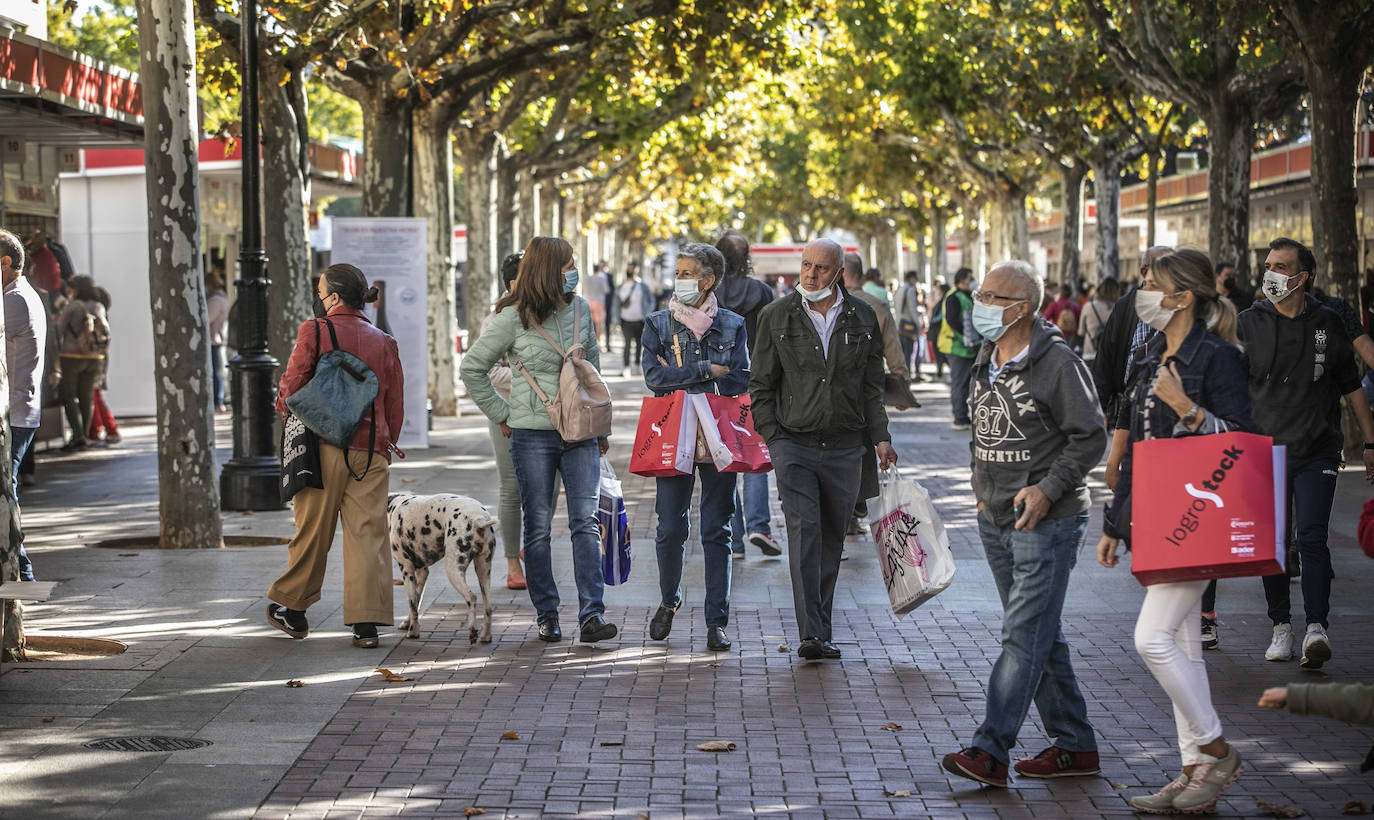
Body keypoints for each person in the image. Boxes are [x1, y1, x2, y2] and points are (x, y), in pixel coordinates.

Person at [1096, 249, 1251, 812]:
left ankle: (1217, 749)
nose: (1143, 291)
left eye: (1153, 283)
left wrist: (1185, 407)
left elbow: (1243, 439)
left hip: (1200, 517)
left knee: (1151, 638)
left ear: (1183, 297)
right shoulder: (1148, 359)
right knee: (1184, 646)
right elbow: (1139, 450)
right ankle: (1194, 776)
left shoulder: (1218, 358)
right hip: (1158, 517)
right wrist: (1116, 521)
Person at [940, 260, 1105, 788]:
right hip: (995, 519)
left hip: (1047, 522)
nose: (981, 303)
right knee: (1039, 634)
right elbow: (982, 429)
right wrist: (979, 483)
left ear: (1023, 308)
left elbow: (1091, 436)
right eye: (981, 293)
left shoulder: (1058, 362)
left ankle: (991, 750)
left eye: (993, 296)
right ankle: (1075, 746)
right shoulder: (989, 356)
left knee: (1021, 634)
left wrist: (1048, 487)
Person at [460, 236, 616, 645]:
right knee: (540, 528)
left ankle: (591, 615)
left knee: (586, 523)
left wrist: (602, 428)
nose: (573, 273)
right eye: (567, 265)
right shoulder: (512, 317)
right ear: (550, 270)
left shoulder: (581, 310)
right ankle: (547, 613)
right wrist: (502, 414)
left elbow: (592, 370)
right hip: (531, 436)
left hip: (580, 433)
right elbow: (473, 368)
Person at [749, 238, 897, 662]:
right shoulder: (776, 315)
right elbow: (760, 386)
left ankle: (822, 628)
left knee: (832, 539)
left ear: (839, 274)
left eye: (820, 268)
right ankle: (811, 633)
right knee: (805, 532)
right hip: (793, 444)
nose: (810, 275)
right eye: (806, 265)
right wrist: (773, 438)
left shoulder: (863, 317)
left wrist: (881, 436)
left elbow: (872, 388)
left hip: (847, 448)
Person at [1241, 237, 1374, 668]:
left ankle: (1316, 628)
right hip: (1265, 451)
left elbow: (1351, 388)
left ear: (1305, 276)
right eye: (1268, 266)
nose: (1272, 275)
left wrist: (1370, 442)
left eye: (1281, 266)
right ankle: (1281, 626)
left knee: (1311, 537)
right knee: (1274, 543)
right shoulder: (1248, 323)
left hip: (1317, 451)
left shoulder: (1328, 323)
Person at [267, 263, 405, 649]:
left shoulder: (315, 330)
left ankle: (293, 609)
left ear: (334, 296)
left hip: (322, 446)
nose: (319, 295)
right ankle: (366, 624)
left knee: (313, 530)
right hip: (371, 452)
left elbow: (293, 382)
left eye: (322, 289)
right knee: (368, 536)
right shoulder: (384, 340)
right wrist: (386, 441)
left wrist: (285, 414)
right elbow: (394, 399)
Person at [642, 243, 749, 652]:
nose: (680, 279)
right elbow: (654, 376)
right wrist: (706, 370)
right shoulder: (657, 324)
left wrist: (681, 374)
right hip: (673, 430)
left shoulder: (734, 325)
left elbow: (739, 380)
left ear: (708, 280)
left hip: (720, 433)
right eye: (679, 272)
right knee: (670, 525)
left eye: (688, 273)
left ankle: (715, 621)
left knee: (717, 528)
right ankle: (669, 601)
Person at [482, 252, 549, 591]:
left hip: (549, 414)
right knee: (512, 487)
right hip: (507, 413)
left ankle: (532, 547)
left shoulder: (551, 312)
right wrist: (532, 378)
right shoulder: (497, 319)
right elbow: (488, 370)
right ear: (512, 282)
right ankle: (512, 562)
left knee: (546, 488)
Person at [714, 232, 781, 558]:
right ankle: (760, 526)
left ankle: (735, 537)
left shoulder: (708, 292)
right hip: (757, 382)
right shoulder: (763, 292)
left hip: (717, 384)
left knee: (726, 457)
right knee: (754, 454)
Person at [1091, 246, 1174, 493]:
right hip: (1131, 409)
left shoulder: (1198, 346)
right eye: (1149, 283)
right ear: (1143, 272)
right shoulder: (1127, 306)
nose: (1150, 291)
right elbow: (1107, 356)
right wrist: (1101, 406)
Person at [2, 228, 44, 582]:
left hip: (13, 412)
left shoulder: (13, 299)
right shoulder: (19, 294)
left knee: (5, 489)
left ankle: (22, 572)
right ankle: (21, 571)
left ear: (5, 263)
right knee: (5, 488)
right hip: (18, 410)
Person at [54, 275, 107, 451]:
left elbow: (59, 330)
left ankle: (77, 436)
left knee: (69, 395)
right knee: (87, 397)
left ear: (75, 289)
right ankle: (84, 433)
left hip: (71, 356)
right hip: (94, 356)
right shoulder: (99, 306)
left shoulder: (72, 306)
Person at [937, 267, 979, 429]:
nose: (973, 281)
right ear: (962, 280)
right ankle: (959, 417)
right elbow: (953, 321)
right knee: (960, 383)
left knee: (967, 383)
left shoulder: (966, 296)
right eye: (970, 278)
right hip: (957, 346)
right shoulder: (954, 297)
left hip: (968, 347)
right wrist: (967, 337)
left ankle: (964, 415)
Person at [84, 286, 119, 446]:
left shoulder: (94, 310)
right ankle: (107, 429)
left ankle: (98, 430)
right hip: (98, 356)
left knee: (93, 395)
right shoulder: (101, 310)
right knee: (95, 394)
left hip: (94, 356)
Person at [616, 262, 653, 377]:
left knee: (638, 343)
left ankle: (637, 365)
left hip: (639, 320)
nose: (630, 271)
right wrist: (615, 319)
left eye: (632, 269)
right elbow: (615, 304)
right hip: (625, 319)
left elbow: (651, 300)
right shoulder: (621, 286)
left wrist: (646, 314)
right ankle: (626, 367)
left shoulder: (642, 286)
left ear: (636, 270)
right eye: (628, 269)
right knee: (627, 343)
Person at [1079, 276, 1120, 363]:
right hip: (1110, 355)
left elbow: (1081, 332)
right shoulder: (1118, 308)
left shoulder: (1089, 306)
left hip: (1090, 353)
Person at [206, 268, 229, 412]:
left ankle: (217, 400)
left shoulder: (215, 300)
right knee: (216, 370)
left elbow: (207, 319)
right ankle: (218, 399)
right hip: (217, 338)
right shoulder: (222, 298)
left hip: (212, 338)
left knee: (215, 371)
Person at [894, 271, 924, 379]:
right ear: (912, 278)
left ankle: (904, 374)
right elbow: (912, 309)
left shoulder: (900, 289)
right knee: (909, 352)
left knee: (903, 351)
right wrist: (918, 324)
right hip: (908, 325)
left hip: (899, 324)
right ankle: (908, 375)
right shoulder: (910, 290)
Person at [583, 261, 610, 352]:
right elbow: (606, 290)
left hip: (587, 302)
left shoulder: (586, 278)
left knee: (588, 325)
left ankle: (588, 345)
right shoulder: (601, 278)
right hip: (598, 302)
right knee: (599, 325)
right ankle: (599, 346)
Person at [928, 279, 949, 380]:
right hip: (937, 330)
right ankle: (940, 369)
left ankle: (942, 368)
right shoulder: (940, 301)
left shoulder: (946, 301)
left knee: (941, 351)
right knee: (937, 350)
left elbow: (940, 316)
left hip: (940, 330)